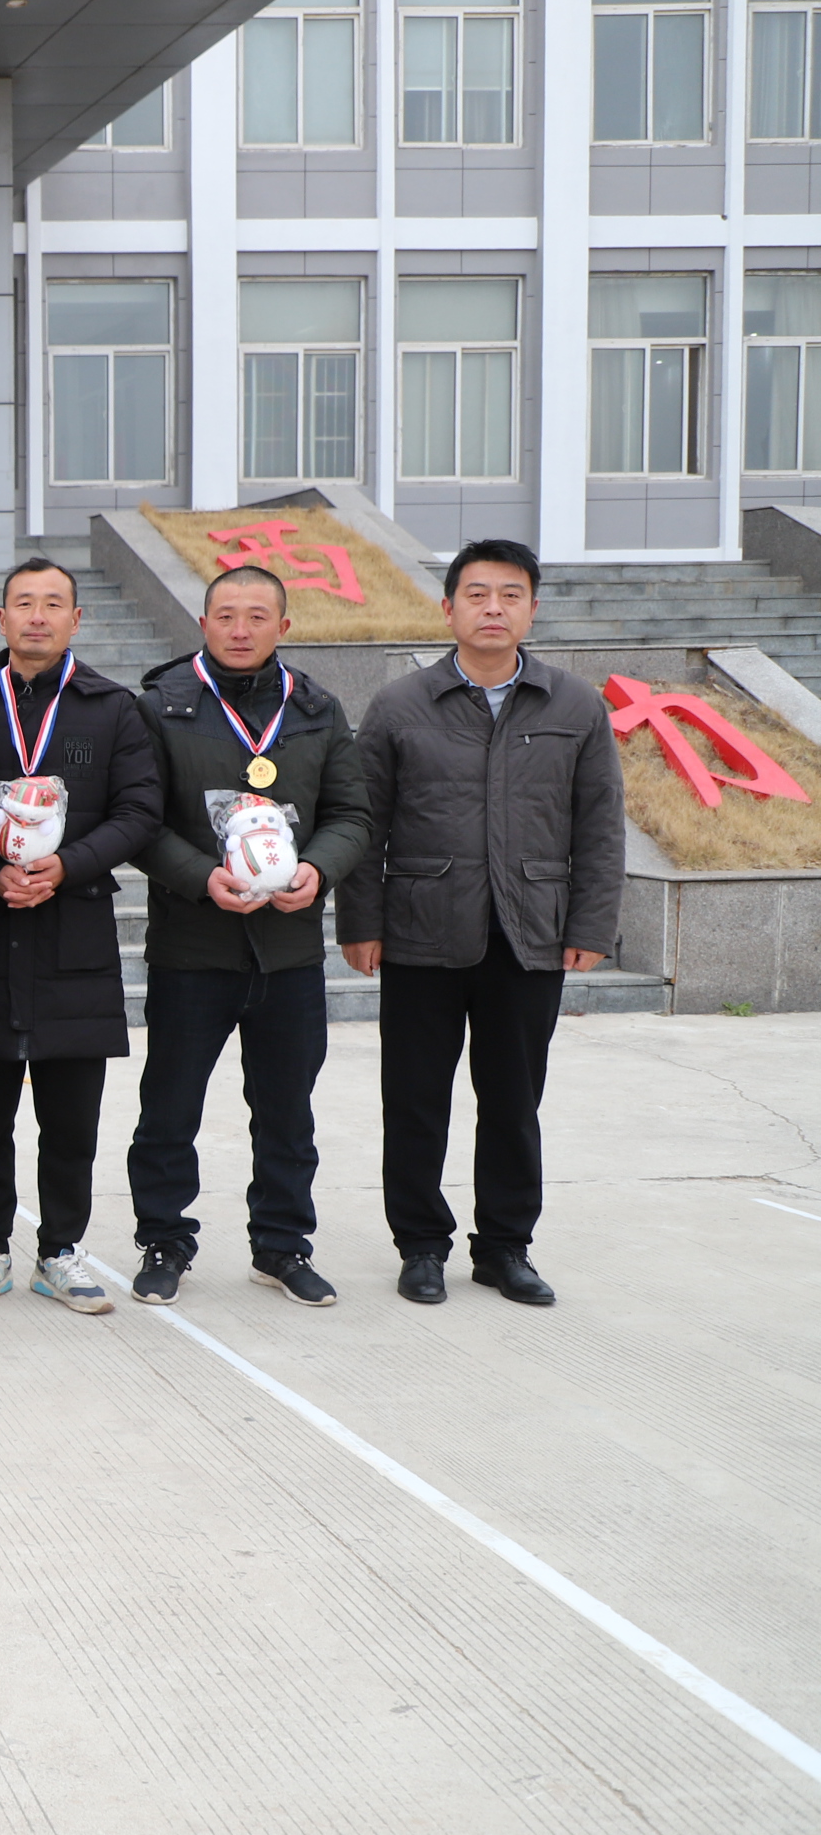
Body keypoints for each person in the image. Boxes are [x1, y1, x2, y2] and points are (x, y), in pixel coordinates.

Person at [341, 541, 622, 1307]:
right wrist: (359, 922)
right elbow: (365, 821)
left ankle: (504, 1247)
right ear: (448, 609)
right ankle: (421, 1246)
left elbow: (600, 824)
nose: (492, 608)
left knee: (512, 1102)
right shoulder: (401, 705)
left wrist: (591, 923)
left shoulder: (574, 705)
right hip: (421, 932)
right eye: (476, 594)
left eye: (509, 594)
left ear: (532, 608)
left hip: (529, 934)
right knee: (415, 1100)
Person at [126, 564, 372, 1307]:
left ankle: (282, 1245)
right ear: (202, 623)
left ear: (283, 627)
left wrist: (318, 870)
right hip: (192, 946)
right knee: (170, 1108)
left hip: (289, 950)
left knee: (288, 1111)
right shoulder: (161, 707)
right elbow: (139, 822)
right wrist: (201, 876)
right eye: (226, 615)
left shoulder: (316, 709)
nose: (240, 629)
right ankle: (164, 1241)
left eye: (257, 616)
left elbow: (351, 814)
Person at [0, 558, 162, 1315]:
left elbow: (139, 811)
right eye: (23, 603)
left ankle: (62, 1250)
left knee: (72, 1115)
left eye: (52, 604)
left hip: (74, 932)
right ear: (1, 618)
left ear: (77, 619)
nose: (36, 616)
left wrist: (65, 866)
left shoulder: (112, 709)